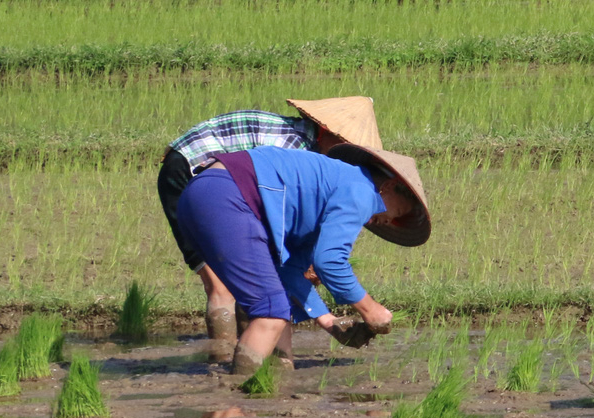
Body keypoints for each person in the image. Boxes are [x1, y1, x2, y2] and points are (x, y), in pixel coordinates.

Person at [173, 143, 430, 375]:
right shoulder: (362, 191)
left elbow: (289, 272)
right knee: (271, 312)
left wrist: (329, 322)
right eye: (398, 213)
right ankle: (239, 401)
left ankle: (276, 376)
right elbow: (329, 261)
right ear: (390, 186)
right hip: (227, 196)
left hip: (197, 194)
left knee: (276, 301)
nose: (390, 220)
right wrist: (370, 309)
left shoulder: (330, 191)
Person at [159, 98, 383, 360]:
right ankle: (222, 359)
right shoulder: (295, 148)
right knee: (220, 286)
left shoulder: (309, 150)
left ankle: (248, 349)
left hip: (216, 182)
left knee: (255, 278)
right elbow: (269, 201)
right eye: (343, 146)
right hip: (191, 172)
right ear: (326, 132)